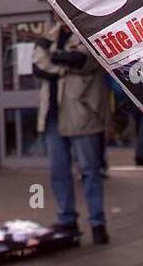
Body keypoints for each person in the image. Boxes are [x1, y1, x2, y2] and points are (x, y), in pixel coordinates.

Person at [33, 23, 111, 245]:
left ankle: (97, 222)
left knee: (89, 171)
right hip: (53, 114)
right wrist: (63, 63)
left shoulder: (87, 32)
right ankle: (66, 219)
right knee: (59, 171)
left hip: (81, 113)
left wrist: (55, 58)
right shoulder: (50, 34)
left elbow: (84, 61)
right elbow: (37, 66)